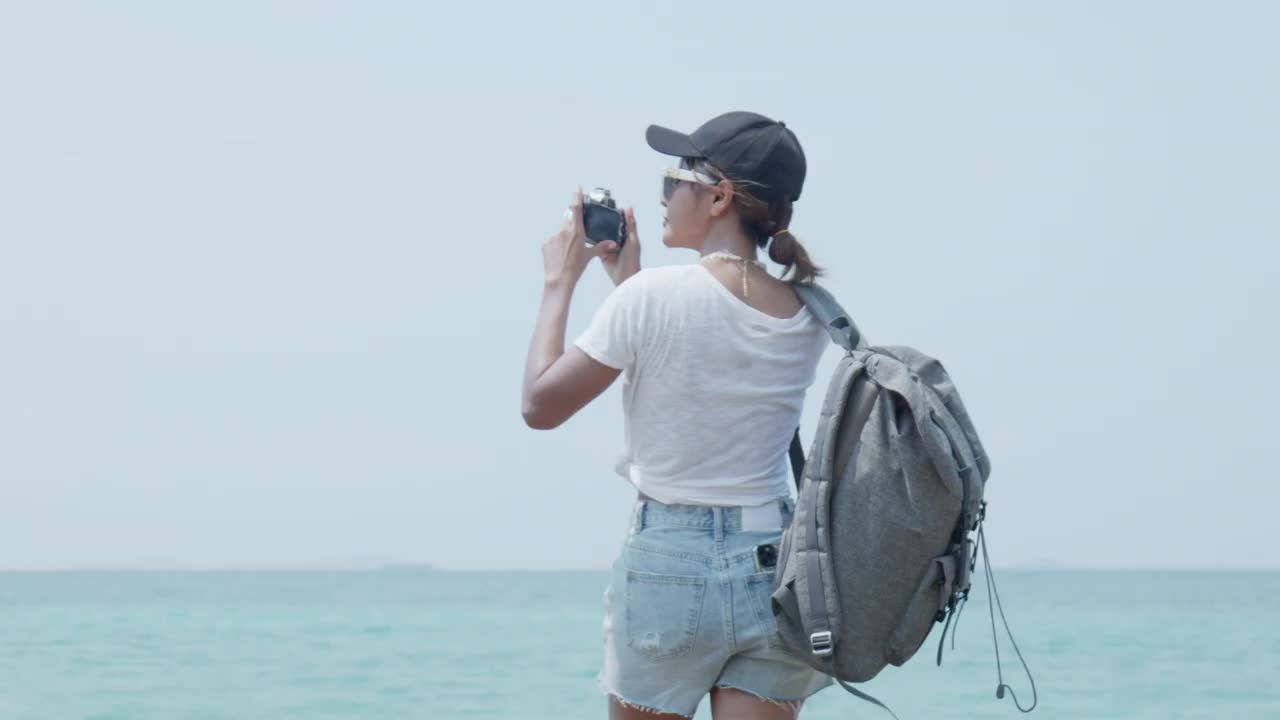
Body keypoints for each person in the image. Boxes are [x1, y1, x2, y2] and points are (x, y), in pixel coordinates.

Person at [521, 111, 833, 719]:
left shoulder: (650, 298)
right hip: (776, 565)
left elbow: (540, 406)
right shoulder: (809, 311)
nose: (664, 195)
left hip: (672, 561)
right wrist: (628, 284)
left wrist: (560, 280)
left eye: (676, 177)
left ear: (718, 196)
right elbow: (705, 360)